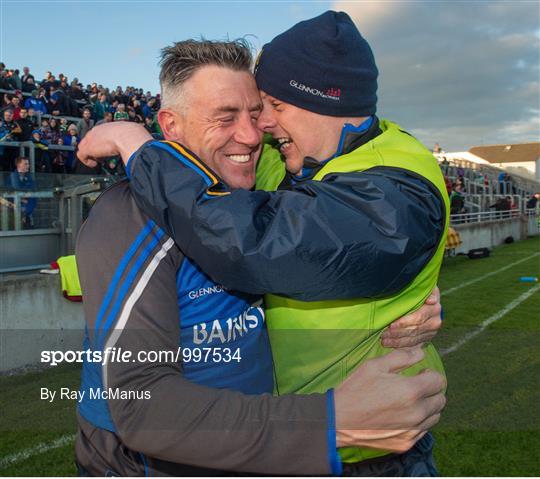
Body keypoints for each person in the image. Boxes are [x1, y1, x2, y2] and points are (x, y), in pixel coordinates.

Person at [77, 39, 445, 476]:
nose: (253, 135)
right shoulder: (132, 214)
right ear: (170, 125)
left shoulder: (260, 187)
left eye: (256, 114)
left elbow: (304, 245)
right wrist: (327, 423)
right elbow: (140, 408)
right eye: (225, 117)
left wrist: (403, 300)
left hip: (261, 455)